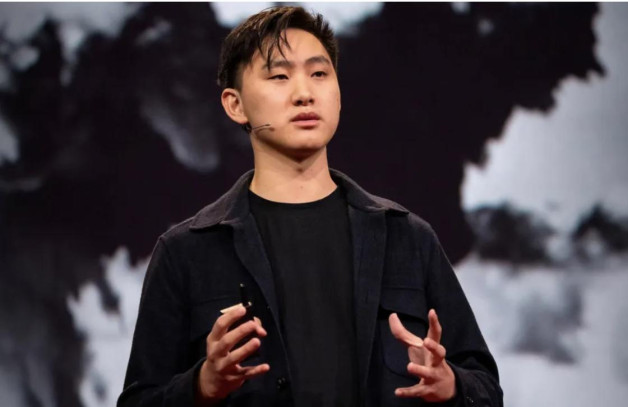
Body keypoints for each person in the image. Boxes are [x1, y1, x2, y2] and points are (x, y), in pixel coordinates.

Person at [118, 6, 502, 407]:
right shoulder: (186, 253)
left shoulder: (407, 239)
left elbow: (487, 390)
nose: (304, 93)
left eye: (319, 74)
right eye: (279, 76)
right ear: (235, 105)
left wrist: (451, 385)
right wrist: (201, 385)